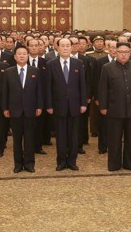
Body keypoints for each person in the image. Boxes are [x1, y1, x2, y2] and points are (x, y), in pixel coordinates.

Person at [98, 42, 131, 172]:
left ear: (130, 53)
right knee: (114, 139)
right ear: (115, 52)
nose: (124, 55)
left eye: (126, 52)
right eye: (121, 52)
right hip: (114, 109)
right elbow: (103, 89)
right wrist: (103, 106)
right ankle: (114, 165)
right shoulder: (107, 68)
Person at [45, 38, 87, 171]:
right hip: (58, 106)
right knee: (61, 136)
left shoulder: (78, 63)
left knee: (73, 136)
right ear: (57, 48)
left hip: (75, 105)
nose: (65, 48)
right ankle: (61, 161)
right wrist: (49, 105)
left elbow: (82, 85)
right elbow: (48, 87)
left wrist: (83, 103)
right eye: (62, 46)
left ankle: (72, 161)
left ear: (71, 48)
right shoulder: (51, 64)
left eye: (68, 46)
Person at [2, 45, 43, 173]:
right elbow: (5, 92)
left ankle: (30, 164)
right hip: (15, 110)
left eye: (24, 53)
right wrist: (5, 108)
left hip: (31, 110)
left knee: (30, 139)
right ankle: (18, 164)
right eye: (19, 54)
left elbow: (39, 91)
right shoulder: (9, 72)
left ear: (28, 55)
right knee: (17, 139)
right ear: (15, 56)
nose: (22, 55)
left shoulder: (35, 71)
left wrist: (39, 106)